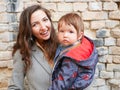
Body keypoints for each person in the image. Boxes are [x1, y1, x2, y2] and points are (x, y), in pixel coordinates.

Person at [8, 4, 58, 90]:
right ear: (28, 29)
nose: (43, 27)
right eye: (35, 24)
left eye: (45, 20)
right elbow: (14, 87)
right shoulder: (23, 52)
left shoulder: (64, 45)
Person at [48, 13, 98, 90]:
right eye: (61, 31)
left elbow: (63, 80)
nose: (65, 35)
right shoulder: (69, 45)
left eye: (70, 32)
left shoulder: (72, 57)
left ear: (80, 35)